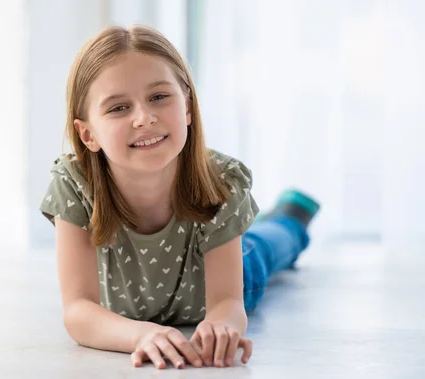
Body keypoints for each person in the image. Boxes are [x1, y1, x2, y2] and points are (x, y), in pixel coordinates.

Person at [39, 24, 320, 370]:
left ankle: (289, 216)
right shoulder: (74, 185)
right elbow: (78, 311)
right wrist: (141, 335)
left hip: (230, 278)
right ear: (87, 134)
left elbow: (228, 302)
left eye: (159, 97)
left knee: (269, 244)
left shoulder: (221, 181)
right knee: (257, 236)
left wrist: (221, 327)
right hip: (144, 307)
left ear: (187, 107)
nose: (145, 118)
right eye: (118, 108)